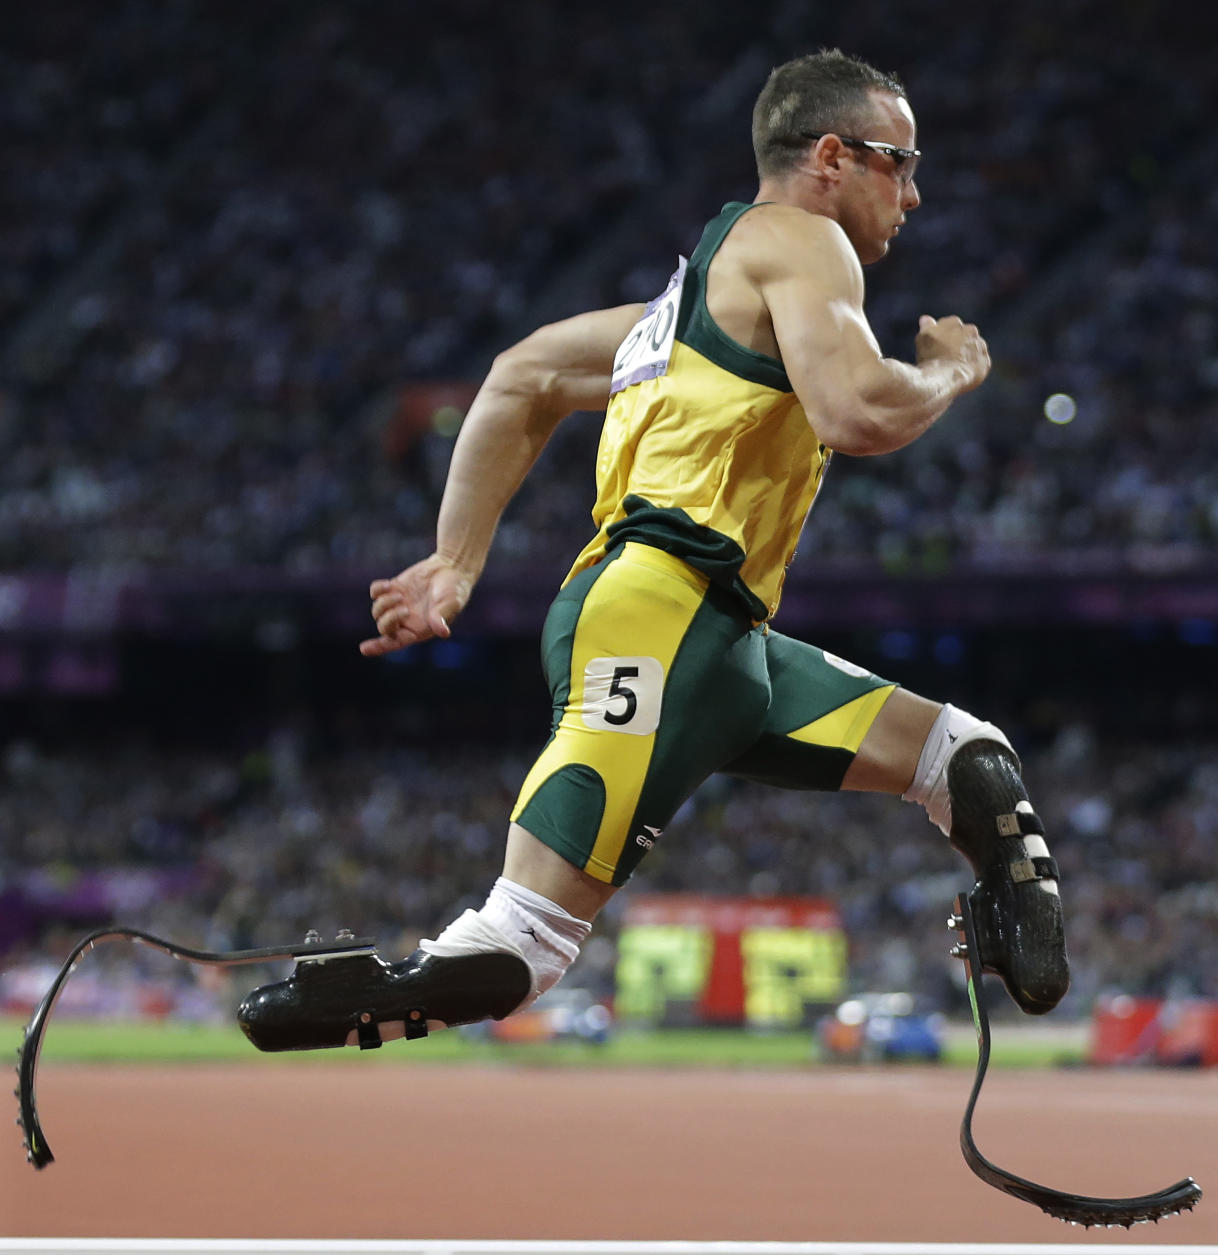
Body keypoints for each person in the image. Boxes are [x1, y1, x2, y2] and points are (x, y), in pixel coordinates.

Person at [238, 48, 1068, 1052]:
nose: (917, 193)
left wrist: (455, 561)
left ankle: (1021, 965)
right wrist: (946, 372)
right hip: (661, 616)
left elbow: (522, 376)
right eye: (904, 162)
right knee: (523, 944)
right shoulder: (800, 237)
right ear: (835, 158)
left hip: (726, 650)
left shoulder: (687, 316)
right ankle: (324, 1001)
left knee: (967, 759)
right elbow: (854, 410)